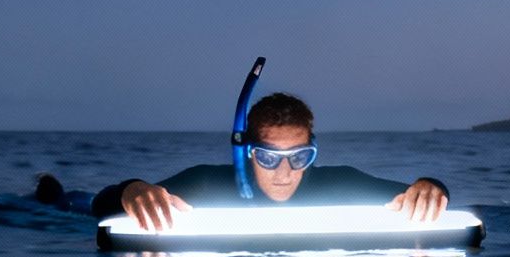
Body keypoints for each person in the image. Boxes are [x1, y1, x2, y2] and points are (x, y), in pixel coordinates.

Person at [86, 93, 451, 231]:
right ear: (247, 155)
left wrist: (430, 187)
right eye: (268, 157)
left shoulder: (338, 184)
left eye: (300, 158)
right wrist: (131, 189)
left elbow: (423, 194)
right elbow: (99, 205)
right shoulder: (205, 184)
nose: (284, 173)